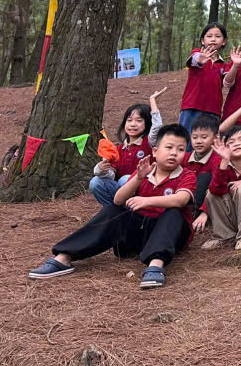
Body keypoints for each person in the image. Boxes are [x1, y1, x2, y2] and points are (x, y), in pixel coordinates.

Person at [29, 124, 197, 289]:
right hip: (138, 236)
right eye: (169, 147)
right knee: (114, 210)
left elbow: (181, 199)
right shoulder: (145, 171)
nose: (174, 153)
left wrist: (147, 201)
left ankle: (155, 266)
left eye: (181, 149)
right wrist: (138, 178)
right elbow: (118, 200)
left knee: (174, 212)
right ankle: (64, 257)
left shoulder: (187, 175)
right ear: (155, 151)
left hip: (169, 238)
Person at [90, 89, 167, 206]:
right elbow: (111, 175)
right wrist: (101, 169)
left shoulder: (150, 142)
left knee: (125, 179)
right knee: (96, 182)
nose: (133, 124)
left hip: (145, 188)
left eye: (139, 120)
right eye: (129, 120)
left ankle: (134, 211)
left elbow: (157, 128)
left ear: (148, 124)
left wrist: (153, 101)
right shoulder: (118, 149)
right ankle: (114, 213)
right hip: (122, 191)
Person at [179, 22, 228, 133]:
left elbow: (228, 82)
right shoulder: (197, 52)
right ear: (202, 41)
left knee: (208, 143)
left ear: (224, 41)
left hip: (213, 110)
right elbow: (194, 59)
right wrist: (200, 59)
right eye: (209, 36)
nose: (213, 39)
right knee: (187, 141)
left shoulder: (223, 65)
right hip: (191, 106)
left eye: (218, 36)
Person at [181, 113, 221, 211]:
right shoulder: (184, 158)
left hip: (205, 202)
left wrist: (205, 211)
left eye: (204, 137)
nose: (198, 141)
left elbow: (216, 188)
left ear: (215, 138)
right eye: (194, 137)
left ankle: (194, 212)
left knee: (205, 178)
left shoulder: (217, 159)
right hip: (183, 197)